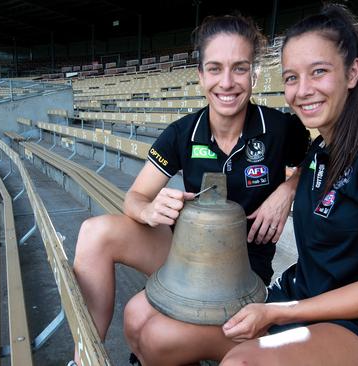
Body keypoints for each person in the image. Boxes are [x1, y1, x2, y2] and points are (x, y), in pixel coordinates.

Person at [124, 4, 358, 366]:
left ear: (352, 73)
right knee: (149, 330)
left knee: (239, 364)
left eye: (318, 72)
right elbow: (310, 169)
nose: (303, 90)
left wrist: (277, 313)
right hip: (298, 299)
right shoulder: (320, 149)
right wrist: (288, 187)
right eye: (291, 78)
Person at [71, 13, 309, 365]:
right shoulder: (183, 131)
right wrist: (150, 210)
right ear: (200, 76)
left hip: (243, 267)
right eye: (214, 68)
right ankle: (84, 359)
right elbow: (134, 198)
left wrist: (290, 186)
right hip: (186, 252)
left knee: (143, 326)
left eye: (239, 68)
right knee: (95, 233)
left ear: (254, 74)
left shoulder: (278, 129)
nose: (226, 82)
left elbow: (328, 155)